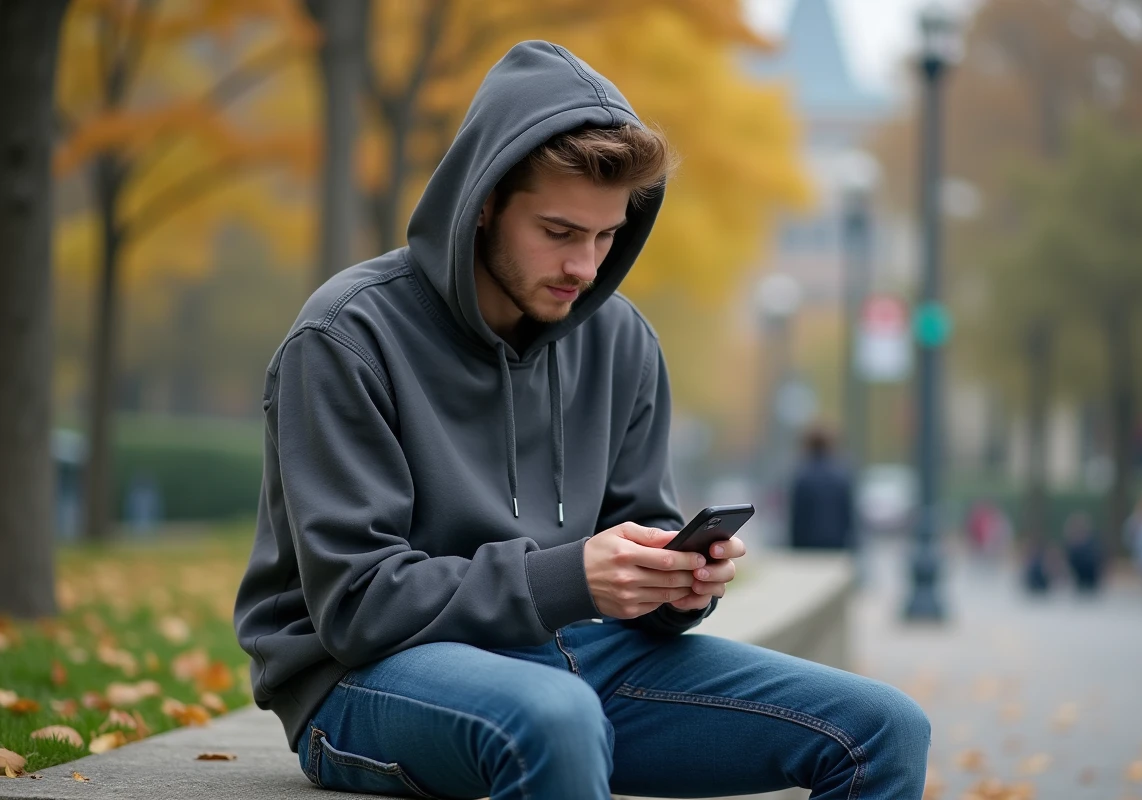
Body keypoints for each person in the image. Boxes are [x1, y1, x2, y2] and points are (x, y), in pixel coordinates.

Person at [234, 41, 929, 799]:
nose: (585, 268)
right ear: (485, 201)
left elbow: (639, 526)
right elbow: (357, 603)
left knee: (885, 729)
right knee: (555, 718)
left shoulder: (620, 340)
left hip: (576, 657)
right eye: (560, 233)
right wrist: (569, 577)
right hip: (366, 678)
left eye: (607, 237)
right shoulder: (345, 337)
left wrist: (678, 584)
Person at [787, 425, 856, 551]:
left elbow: (797, 518)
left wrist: (794, 547)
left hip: (808, 546)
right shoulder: (841, 477)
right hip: (836, 543)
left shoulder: (802, 478)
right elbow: (847, 516)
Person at [1062, 511, 1104, 594]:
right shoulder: (1071, 546)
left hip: (1092, 580)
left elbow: (1099, 560)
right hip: (1079, 581)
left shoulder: (1092, 543)